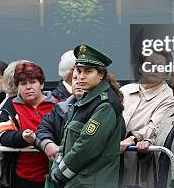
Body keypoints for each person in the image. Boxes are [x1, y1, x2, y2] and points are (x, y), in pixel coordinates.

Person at [49, 44, 123, 188]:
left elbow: (86, 147)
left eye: (88, 71)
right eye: (79, 70)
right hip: (77, 181)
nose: (81, 77)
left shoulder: (104, 104)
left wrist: (59, 174)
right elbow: (66, 140)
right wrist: (56, 166)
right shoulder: (86, 99)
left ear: (101, 74)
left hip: (92, 182)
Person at [0, 62, 57, 188]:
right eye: (23, 83)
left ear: (42, 84)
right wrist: (22, 137)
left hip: (56, 173)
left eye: (33, 82)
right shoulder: (10, 107)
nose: (28, 87)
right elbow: (2, 137)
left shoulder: (58, 105)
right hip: (23, 177)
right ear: (17, 87)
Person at [120, 51, 174, 188]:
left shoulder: (170, 96)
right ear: (140, 68)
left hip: (139, 161)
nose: (154, 69)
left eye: (160, 66)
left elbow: (155, 126)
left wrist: (132, 138)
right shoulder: (124, 90)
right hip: (113, 157)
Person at [35, 71, 85, 162]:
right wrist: (47, 144)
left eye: (82, 79)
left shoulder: (107, 107)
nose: (78, 82)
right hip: (63, 170)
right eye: (75, 78)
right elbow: (41, 130)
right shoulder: (61, 108)